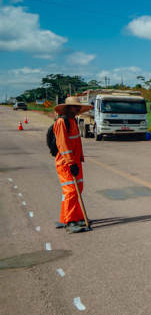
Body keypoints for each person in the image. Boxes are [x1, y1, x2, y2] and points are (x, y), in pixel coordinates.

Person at [53, 96, 91, 233]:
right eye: (76, 107)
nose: (78, 109)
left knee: (78, 189)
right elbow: (63, 144)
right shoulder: (62, 122)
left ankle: (76, 217)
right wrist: (70, 162)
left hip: (75, 161)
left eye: (79, 107)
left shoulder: (72, 120)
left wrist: (77, 160)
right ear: (68, 108)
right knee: (71, 191)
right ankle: (70, 222)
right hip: (66, 163)